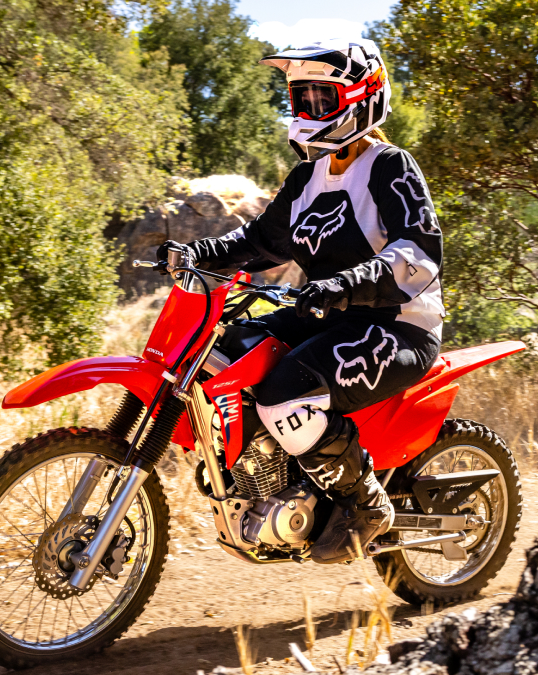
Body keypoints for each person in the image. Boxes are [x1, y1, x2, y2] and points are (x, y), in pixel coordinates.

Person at [157, 38, 444, 564]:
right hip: (322, 313)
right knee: (226, 352)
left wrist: (344, 284)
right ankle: (270, 479)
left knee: (287, 391)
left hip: (397, 325)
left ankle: (364, 504)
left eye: (321, 97)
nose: (309, 108)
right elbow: (257, 242)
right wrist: (194, 253)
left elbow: (419, 252)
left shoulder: (390, 166)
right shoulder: (307, 177)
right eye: (301, 97)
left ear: (361, 97)